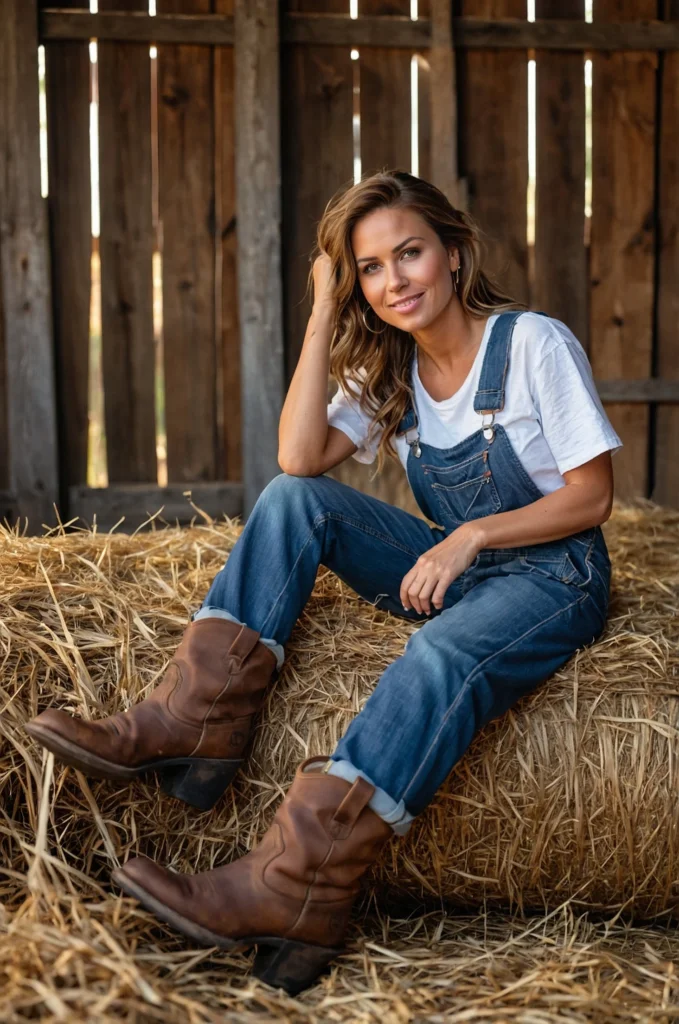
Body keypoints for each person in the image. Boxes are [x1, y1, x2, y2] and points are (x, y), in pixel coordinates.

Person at [26, 171, 621, 994]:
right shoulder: (391, 367)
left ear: (452, 254)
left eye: (408, 254)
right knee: (295, 501)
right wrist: (321, 314)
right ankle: (194, 714)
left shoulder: (529, 345)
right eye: (369, 269)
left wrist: (473, 534)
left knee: (435, 659)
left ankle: (295, 881)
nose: (393, 281)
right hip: (458, 565)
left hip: (555, 572)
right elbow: (299, 458)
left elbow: (591, 497)